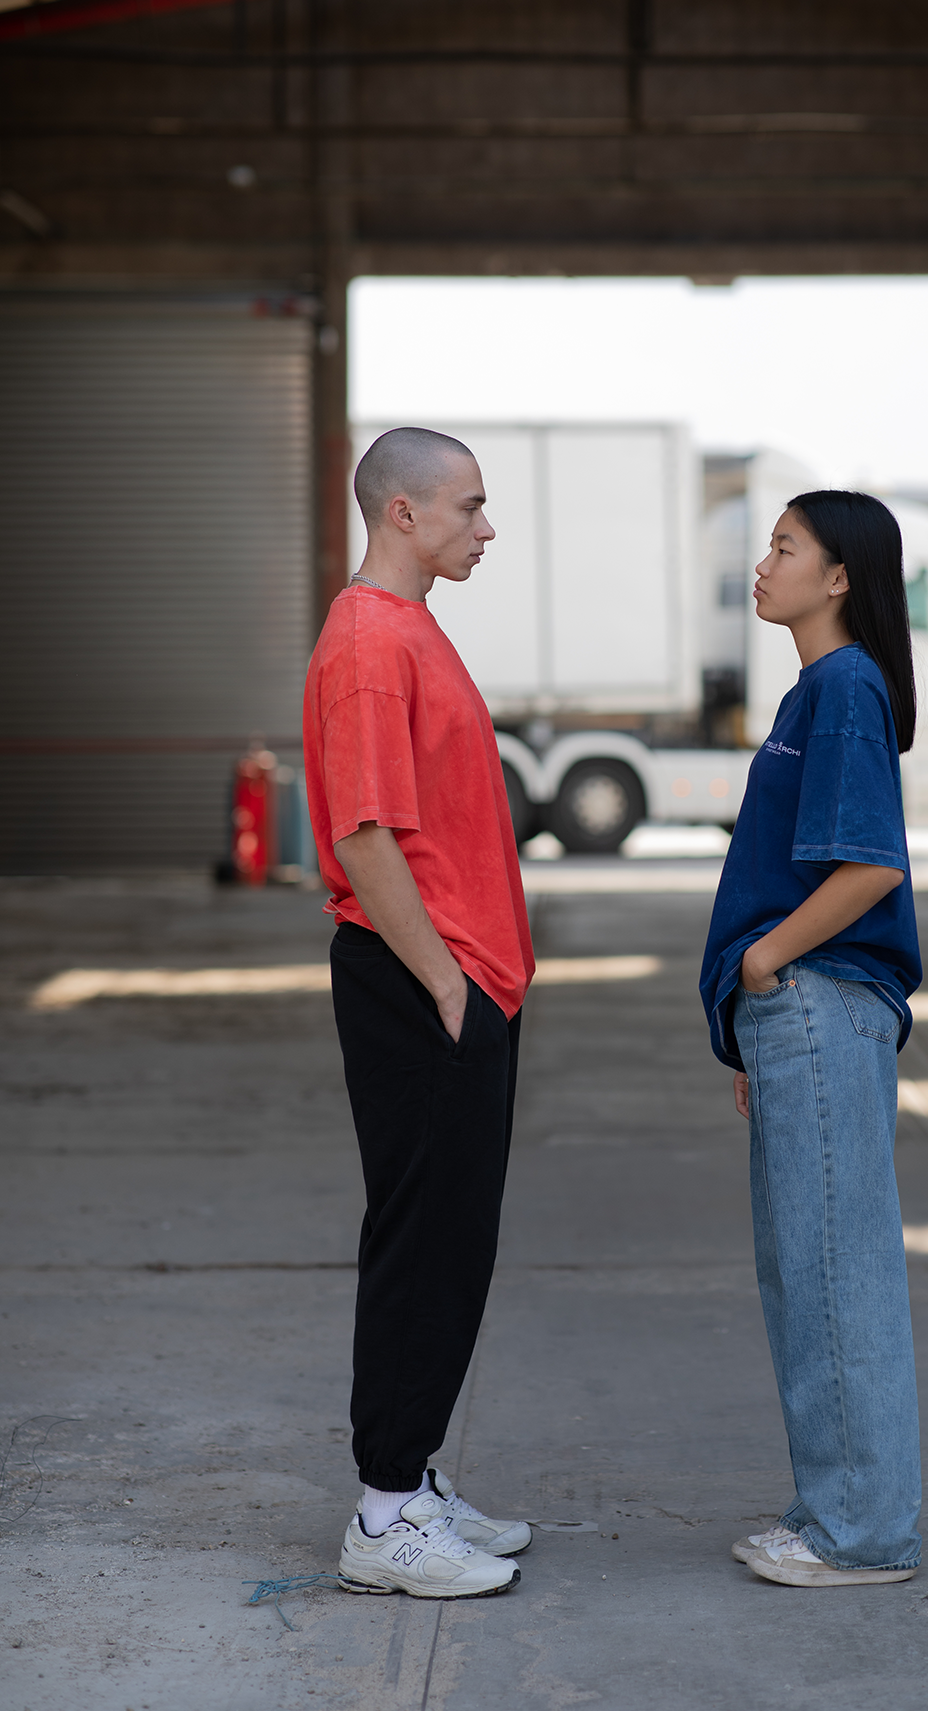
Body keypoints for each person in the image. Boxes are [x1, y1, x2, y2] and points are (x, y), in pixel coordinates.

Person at [303, 427, 535, 1599]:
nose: (485, 528)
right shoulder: (368, 644)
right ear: (404, 512)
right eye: (470, 508)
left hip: (460, 978)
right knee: (421, 1246)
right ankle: (385, 1514)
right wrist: (445, 982)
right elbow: (359, 832)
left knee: (457, 1243)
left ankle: (416, 1479)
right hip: (420, 981)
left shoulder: (410, 630)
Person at [699, 489, 923, 1588]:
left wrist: (764, 961)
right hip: (804, 1015)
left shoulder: (841, 686)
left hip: (819, 996)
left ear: (840, 578)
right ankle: (833, 1509)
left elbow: (871, 864)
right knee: (811, 1272)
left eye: (786, 546)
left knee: (834, 1274)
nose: (765, 561)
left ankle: (862, 1533)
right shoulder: (822, 689)